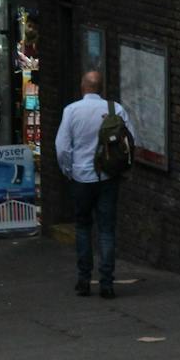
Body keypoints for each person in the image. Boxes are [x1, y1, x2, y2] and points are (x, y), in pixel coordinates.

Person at [54, 70, 136, 299]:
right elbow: (131, 141)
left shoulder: (71, 111)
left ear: (83, 87)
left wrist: (68, 170)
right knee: (107, 230)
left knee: (83, 227)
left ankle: (83, 279)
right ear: (101, 88)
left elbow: (62, 147)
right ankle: (107, 282)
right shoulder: (116, 110)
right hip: (108, 179)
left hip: (81, 178)